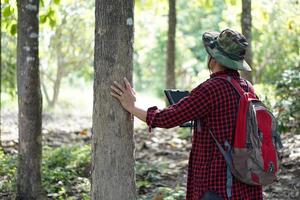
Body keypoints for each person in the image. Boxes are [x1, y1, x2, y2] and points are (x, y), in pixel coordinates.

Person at [110, 29, 263, 200]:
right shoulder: (247, 87)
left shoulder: (210, 89)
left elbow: (165, 119)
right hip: (246, 177)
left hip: (218, 183)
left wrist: (131, 106)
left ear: (213, 59)